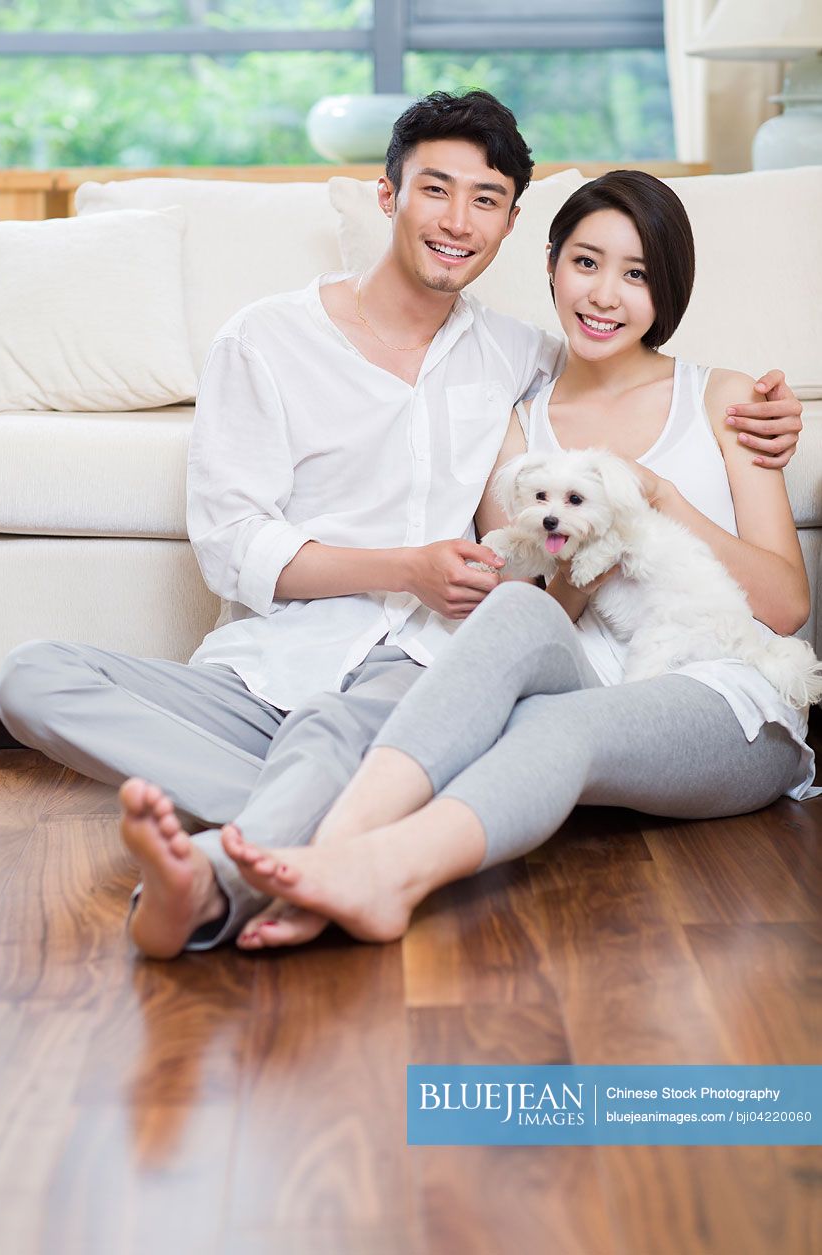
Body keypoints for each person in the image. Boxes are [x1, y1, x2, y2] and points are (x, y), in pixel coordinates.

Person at [0, 97, 803, 959]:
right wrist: (416, 567)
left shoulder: (528, 360)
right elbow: (241, 547)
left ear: (507, 225)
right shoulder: (289, 345)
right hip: (273, 659)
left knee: (338, 730)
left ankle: (223, 876)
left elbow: (722, 573)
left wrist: (715, 454)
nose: (458, 221)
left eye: (484, 199)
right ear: (387, 196)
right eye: (435, 189)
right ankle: (326, 827)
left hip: (410, 666)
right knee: (29, 676)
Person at [207, 170, 816, 948]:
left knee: (556, 727)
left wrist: (653, 497)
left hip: (726, 692)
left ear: (668, 289)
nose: (603, 295)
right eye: (585, 263)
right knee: (517, 624)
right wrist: (570, 543)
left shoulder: (727, 400)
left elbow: (786, 604)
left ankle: (370, 870)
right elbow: (535, 609)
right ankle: (329, 857)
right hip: (593, 675)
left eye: (635, 274)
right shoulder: (521, 426)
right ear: (553, 265)